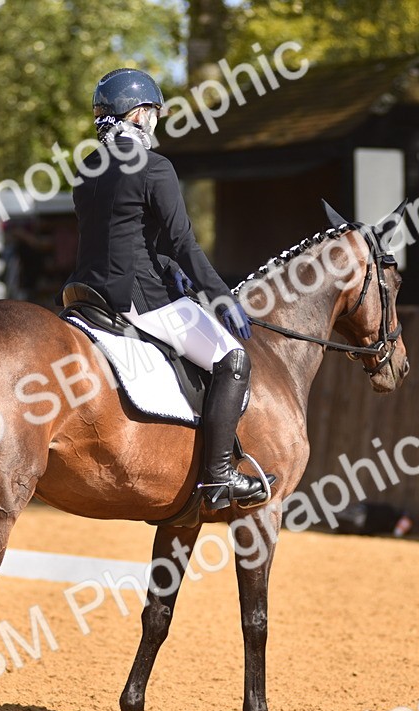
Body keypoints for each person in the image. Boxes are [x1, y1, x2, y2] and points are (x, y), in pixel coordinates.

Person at [64, 68, 273, 511]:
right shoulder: (155, 166)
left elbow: (116, 235)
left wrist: (164, 266)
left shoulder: (86, 169)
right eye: (153, 114)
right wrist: (220, 297)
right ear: (138, 115)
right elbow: (182, 241)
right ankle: (218, 478)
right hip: (137, 297)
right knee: (232, 359)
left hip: (83, 294)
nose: (154, 123)